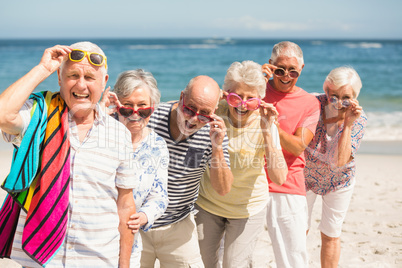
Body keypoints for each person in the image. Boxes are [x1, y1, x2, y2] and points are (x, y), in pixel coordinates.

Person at [0, 42, 136, 268]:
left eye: (90, 77)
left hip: (99, 260)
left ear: (104, 82)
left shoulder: (119, 133)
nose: (81, 85)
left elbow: (125, 205)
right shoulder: (38, 115)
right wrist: (42, 69)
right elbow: (3, 114)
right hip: (41, 263)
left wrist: (125, 265)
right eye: (72, 75)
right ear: (59, 79)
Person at [195, 60, 288, 268]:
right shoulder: (213, 113)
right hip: (208, 203)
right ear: (226, 94)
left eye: (250, 99)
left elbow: (280, 178)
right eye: (236, 97)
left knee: (234, 264)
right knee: (203, 263)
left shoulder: (265, 122)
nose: (242, 104)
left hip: (248, 208)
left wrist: (266, 130)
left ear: (260, 99)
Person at [139, 75, 233, 268]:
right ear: (181, 97)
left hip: (178, 225)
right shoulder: (152, 116)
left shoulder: (214, 134)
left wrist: (217, 148)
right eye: (189, 109)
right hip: (138, 222)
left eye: (204, 114)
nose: (193, 119)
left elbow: (223, 188)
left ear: (214, 112)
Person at [101, 69, 170, 267]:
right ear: (117, 106)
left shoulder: (157, 145)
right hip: (92, 237)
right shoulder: (99, 133)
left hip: (130, 241)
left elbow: (160, 195)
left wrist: (144, 216)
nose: (135, 114)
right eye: (127, 107)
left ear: (153, 107)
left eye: (143, 107)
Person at [262, 41, 320, 267]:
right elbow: (225, 100)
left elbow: (297, 146)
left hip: (288, 184)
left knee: (293, 257)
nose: (286, 75)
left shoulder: (309, 103)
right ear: (270, 66)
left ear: (301, 69)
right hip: (251, 180)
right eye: (280, 69)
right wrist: (253, 78)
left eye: (293, 71)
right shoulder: (255, 89)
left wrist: (271, 124)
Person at [304, 66, 367, 267]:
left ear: (355, 97)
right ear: (326, 90)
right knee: (299, 229)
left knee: (331, 233)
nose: (339, 103)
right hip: (306, 175)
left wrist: (347, 124)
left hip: (339, 180)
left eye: (346, 98)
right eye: (334, 97)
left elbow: (340, 162)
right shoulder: (312, 103)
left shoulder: (359, 119)